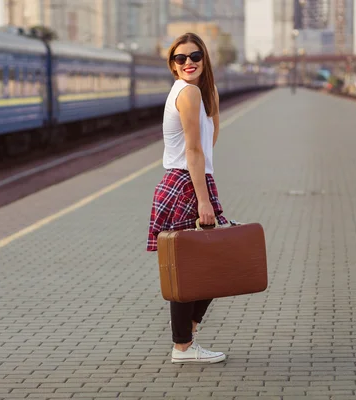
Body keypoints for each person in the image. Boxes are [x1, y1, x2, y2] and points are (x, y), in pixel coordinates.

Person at [146, 32, 228, 364]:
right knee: (193, 268)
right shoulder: (188, 93)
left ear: (204, 60)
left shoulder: (198, 93)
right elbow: (194, 151)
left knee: (206, 265)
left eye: (195, 56)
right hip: (186, 184)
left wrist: (213, 96)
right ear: (172, 64)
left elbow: (210, 139)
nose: (188, 63)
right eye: (180, 59)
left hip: (190, 180)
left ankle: (187, 338)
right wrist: (203, 200)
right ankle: (183, 345)